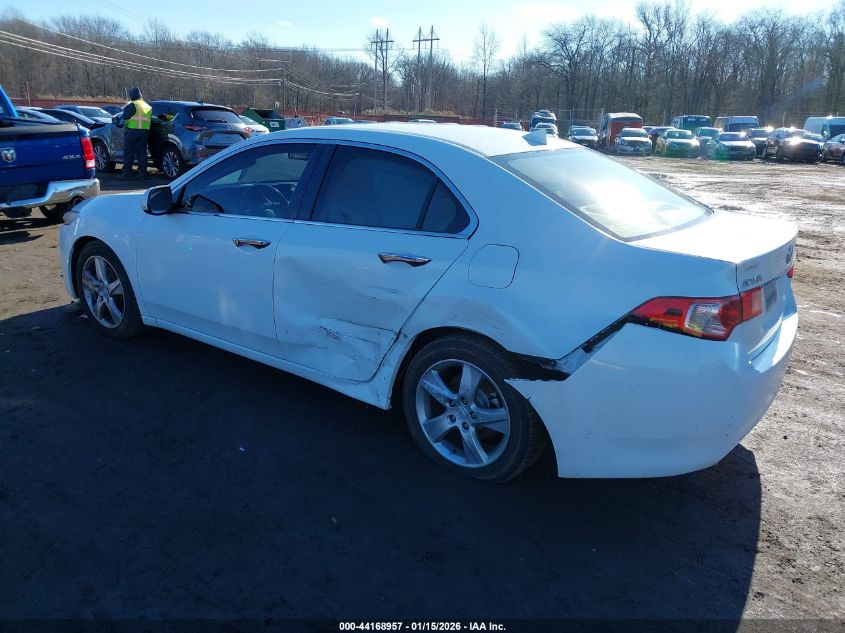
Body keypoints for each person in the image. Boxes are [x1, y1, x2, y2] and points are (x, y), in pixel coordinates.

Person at [120, 87, 152, 178]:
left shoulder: (132, 105)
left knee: (129, 152)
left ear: (132, 96)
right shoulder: (147, 106)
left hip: (132, 131)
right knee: (142, 152)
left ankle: (127, 173)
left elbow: (125, 117)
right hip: (144, 132)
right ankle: (142, 172)